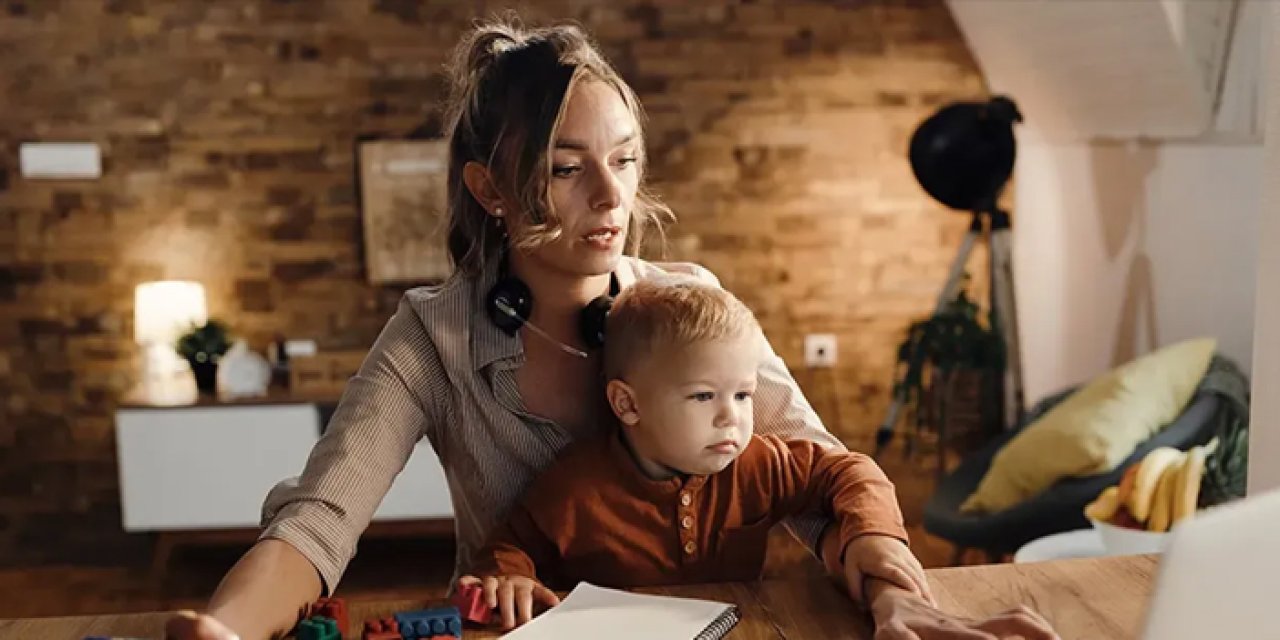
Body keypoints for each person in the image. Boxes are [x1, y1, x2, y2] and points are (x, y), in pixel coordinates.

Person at [166, 19, 1050, 640]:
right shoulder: (428, 340)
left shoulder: (690, 299)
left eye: (624, 160)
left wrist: (897, 595)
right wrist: (224, 630)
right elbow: (317, 523)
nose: (613, 197)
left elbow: (819, 472)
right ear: (489, 188)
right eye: (566, 168)